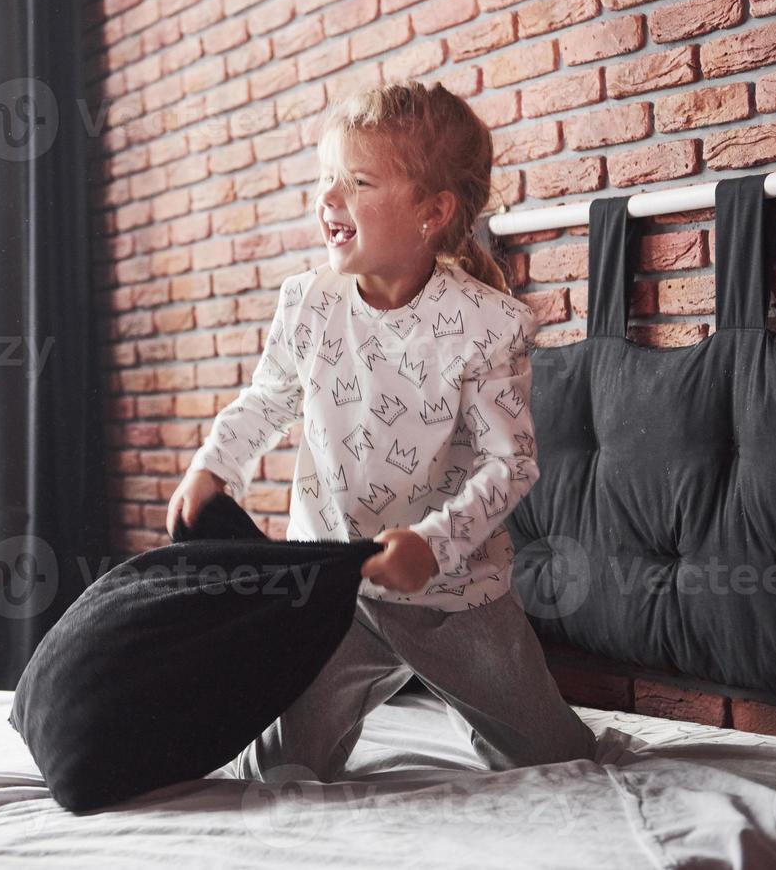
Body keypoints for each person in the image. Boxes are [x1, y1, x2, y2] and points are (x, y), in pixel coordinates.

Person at [166, 79, 595, 781]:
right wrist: (215, 465)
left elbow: (508, 463)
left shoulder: (483, 327)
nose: (327, 198)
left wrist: (433, 546)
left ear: (431, 212)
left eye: (357, 181)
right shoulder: (307, 305)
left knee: (561, 761)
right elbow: (266, 398)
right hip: (335, 592)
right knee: (277, 775)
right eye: (324, 179)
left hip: (454, 599)